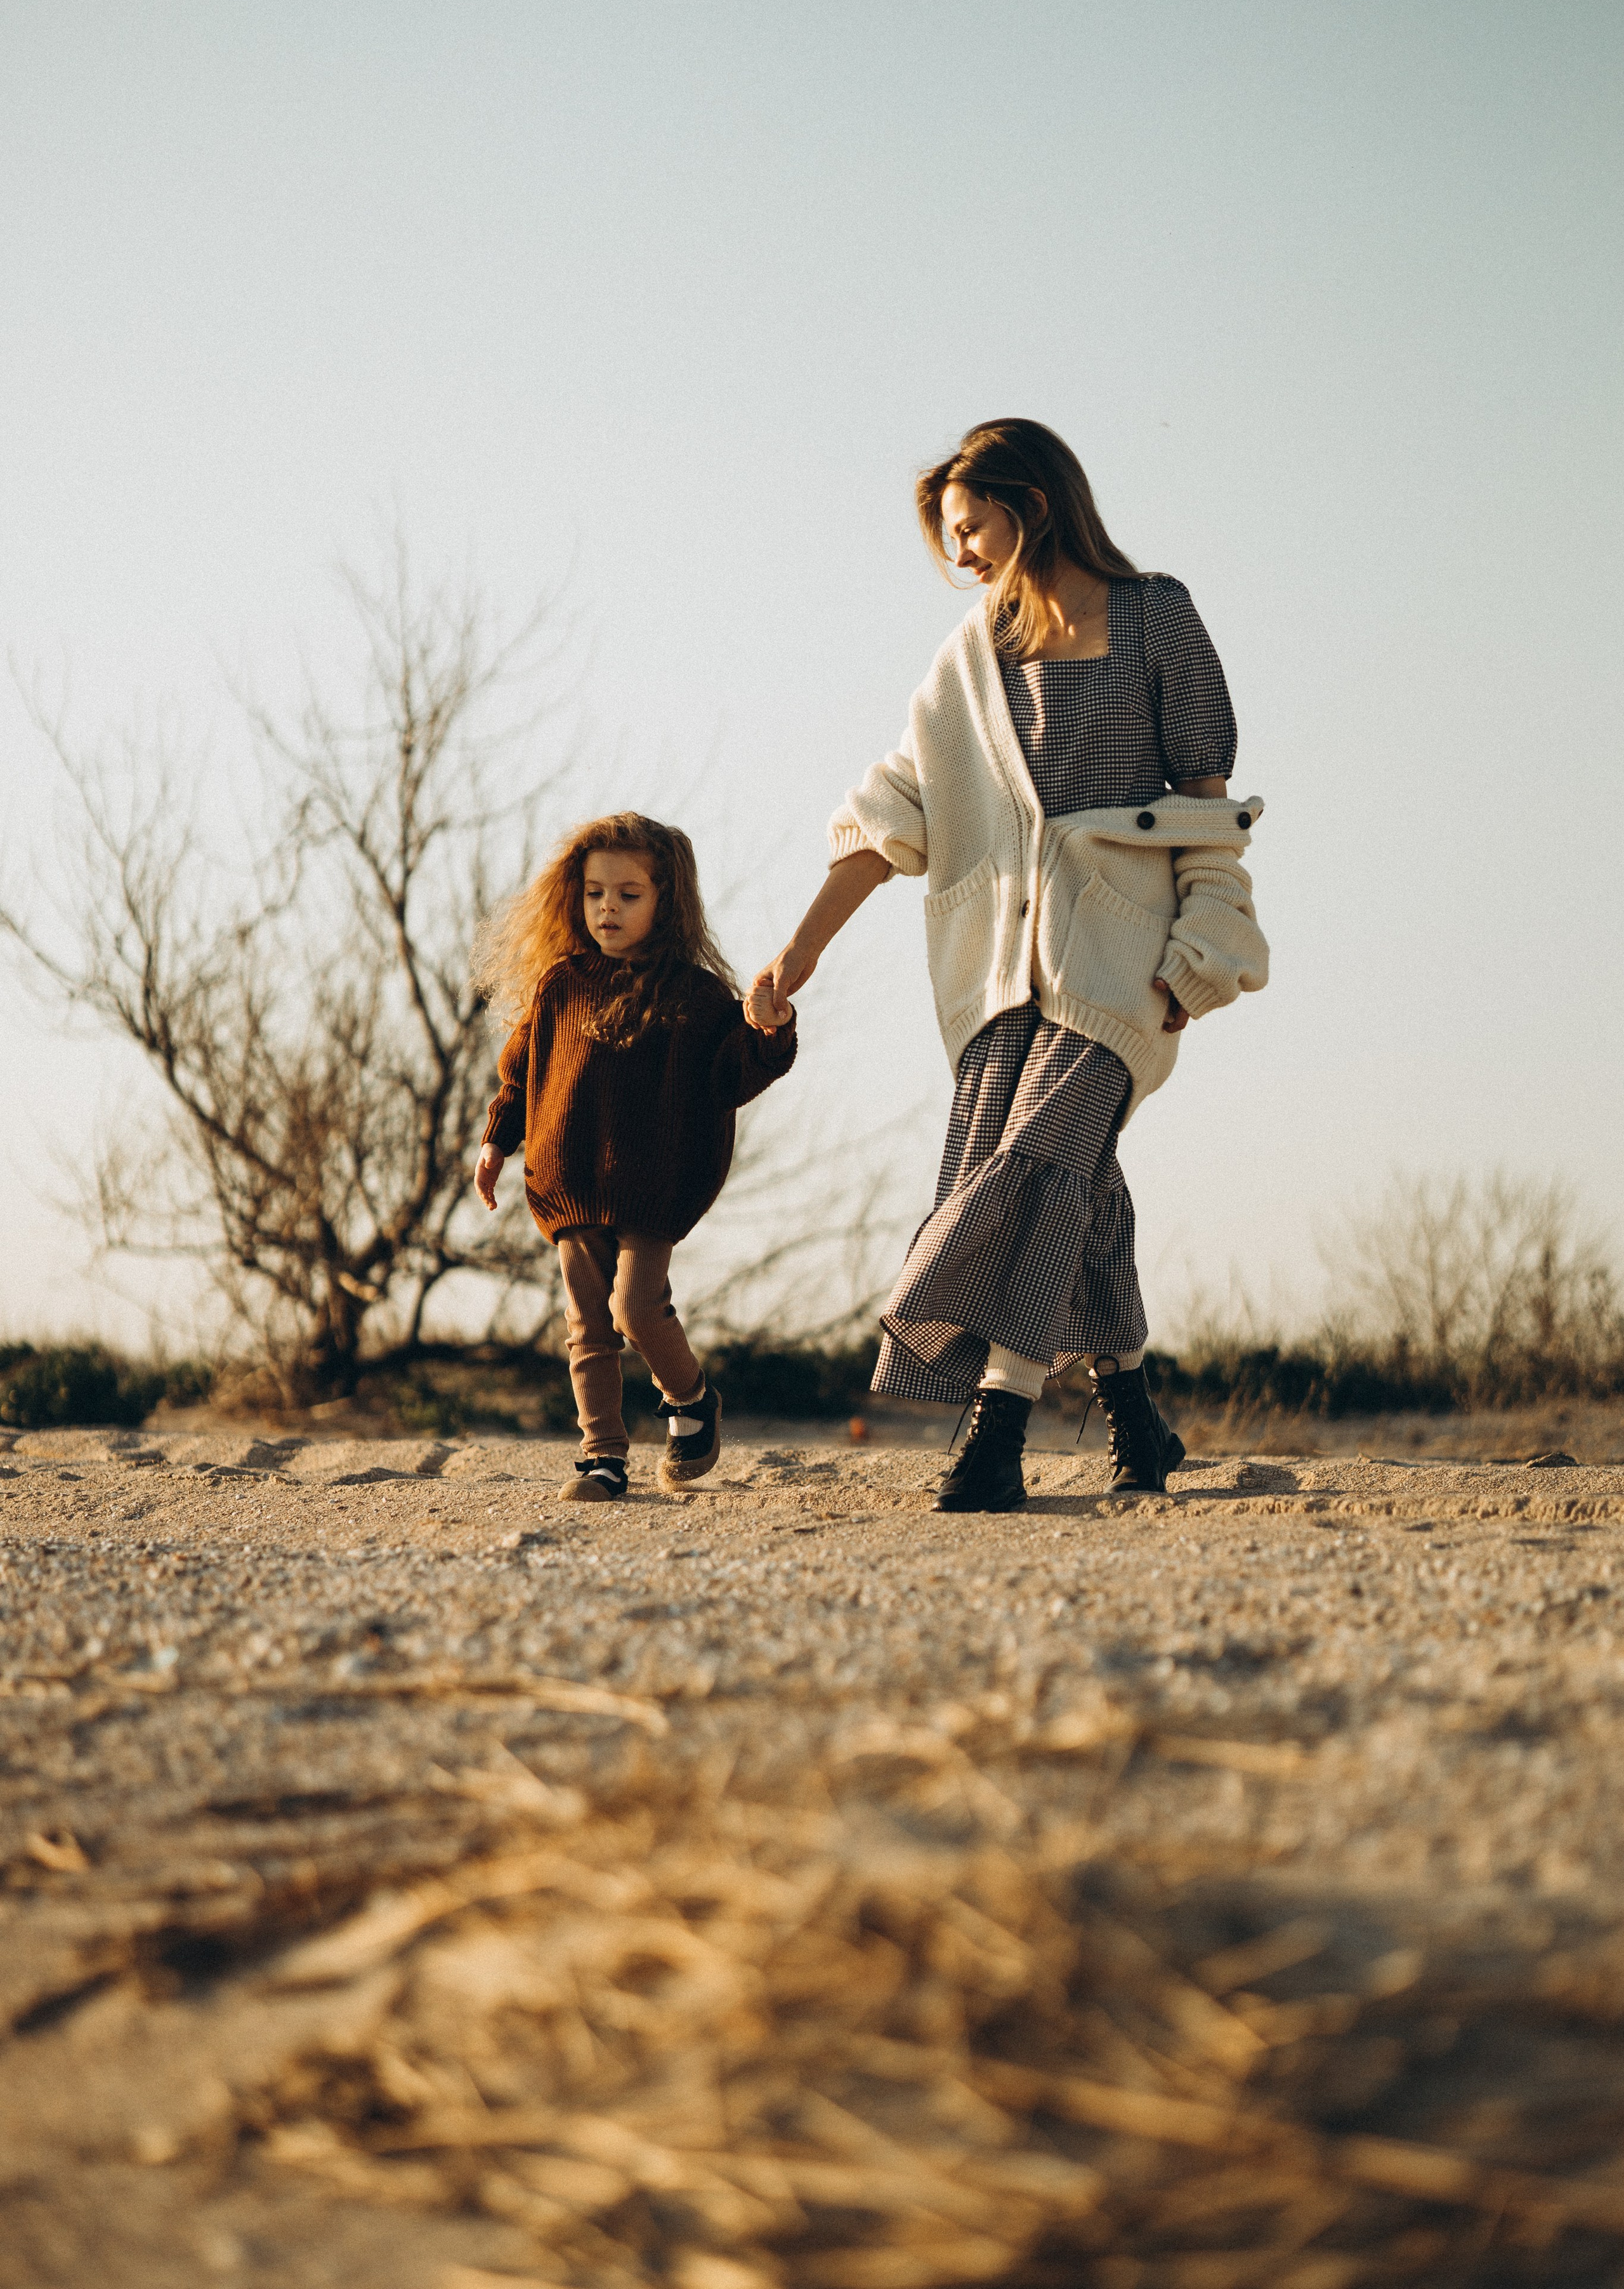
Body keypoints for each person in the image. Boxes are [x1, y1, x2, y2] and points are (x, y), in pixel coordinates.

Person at [747, 419, 1268, 1513]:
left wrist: (1200, 961)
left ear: (1031, 504)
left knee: (1032, 1168)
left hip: (1129, 969)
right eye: (951, 540)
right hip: (998, 985)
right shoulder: (970, 664)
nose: (963, 556)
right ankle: (1137, 1421)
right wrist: (795, 957)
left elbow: (1209, 812)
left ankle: (997, 1433)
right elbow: (890, 818)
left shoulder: (1158, 617)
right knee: (1075, 1193)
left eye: (971, 528)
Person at [475, 811, 796, 1501]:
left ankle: (691, 1401)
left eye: (627, 894)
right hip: (568, 1179)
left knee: (635, 1309)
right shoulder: (560, 985)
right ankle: (602, 1457)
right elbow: (521, 1072)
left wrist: (769, 1030)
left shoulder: (698, 997)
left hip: (654, 1185)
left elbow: (734, 1075)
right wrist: (496, 1141)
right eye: (594, 893)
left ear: (664, 900)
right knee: (586, 1324)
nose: (607, 908)